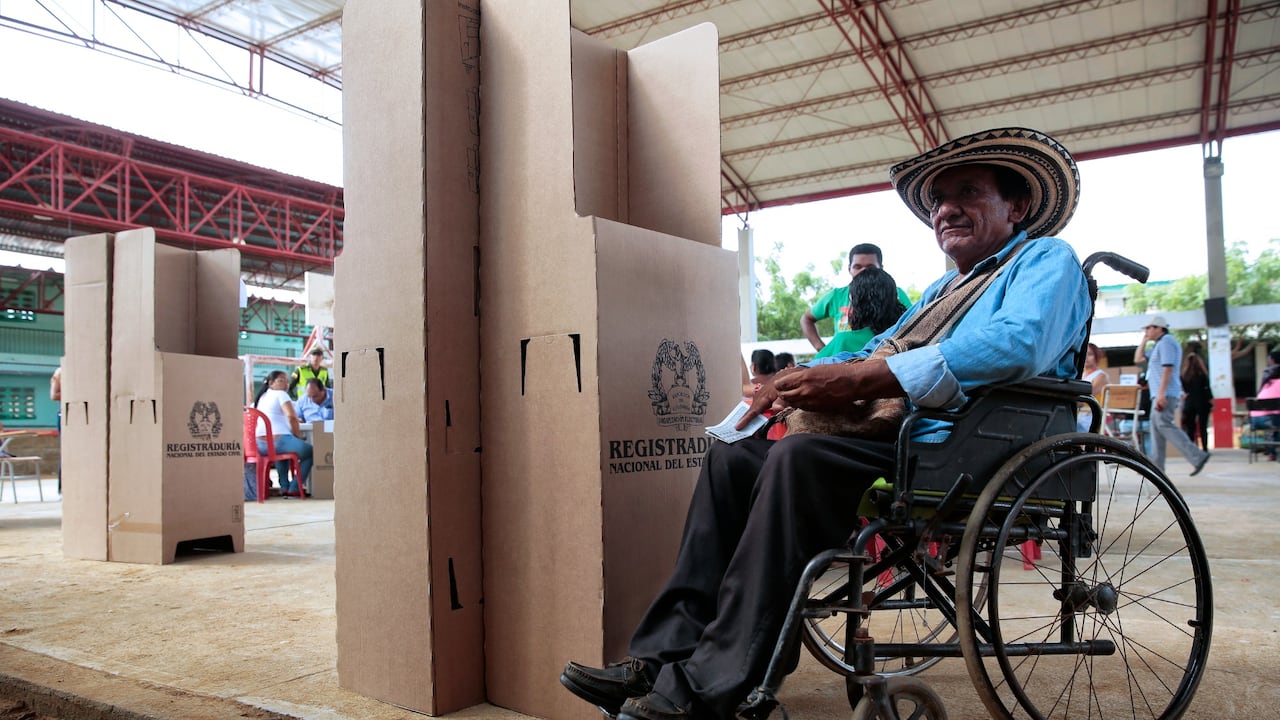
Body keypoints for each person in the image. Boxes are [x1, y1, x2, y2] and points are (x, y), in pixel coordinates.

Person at [561, 127, 1092, 720]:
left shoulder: (1046, 259)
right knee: (732, 457)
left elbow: (1018, 344)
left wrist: (865, 381)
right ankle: (662, 659)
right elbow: (880, 348)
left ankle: (712, 685)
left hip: (964, 443)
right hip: (899, 438)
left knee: (798, 459)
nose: (945, 210)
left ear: (1016, 207)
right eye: (939, 201)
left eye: (967, 192)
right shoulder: (946, 287)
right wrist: (794, 378)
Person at [801, 243, 913, 355]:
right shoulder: (837, 296)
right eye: (857, 267)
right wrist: (822, 348)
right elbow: (806, 319)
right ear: (849, 268)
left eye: (870, 267)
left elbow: (914, 323)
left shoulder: (896, 292)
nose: (863, 272)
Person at [1134, 317, 1210, 475]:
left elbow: (1167, 369)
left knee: (1164, 424)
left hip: (1165, 393)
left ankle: (1197, 456)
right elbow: (1138, 359)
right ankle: (1157, 469)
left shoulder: (1167, 342)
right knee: (1156, 429)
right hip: (1159, 393)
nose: (1146, 331)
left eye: (1149, 328)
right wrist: (1144, 340)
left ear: (1159, 328)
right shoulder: (1158, 345)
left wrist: (1161, 394)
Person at [813, 266, 908, 359]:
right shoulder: (903, 339)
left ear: (858, 306)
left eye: (851, 301)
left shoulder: (844, 341)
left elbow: (806, 371)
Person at [254, 370, 313, 496]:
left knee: (284, 450)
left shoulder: (261, 397)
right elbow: (291, 417)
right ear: (271, 383)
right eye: (281, 380)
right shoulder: (281, 394)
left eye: (287, 381)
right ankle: (295, 488)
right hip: (278, 441)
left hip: (259, 445)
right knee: (310, 452)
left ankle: (284, 487)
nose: (286, 384)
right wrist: (298, 436)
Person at [1179, 341, 1212, 450]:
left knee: (1190, 428)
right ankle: (1205, 448)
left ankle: (1192, 449)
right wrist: (1211, 399)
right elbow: (1207, 388)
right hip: (1202, 402)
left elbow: (1184, 389)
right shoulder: (1202, 375)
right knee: (1203, 427)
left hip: (1190, 402)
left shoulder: (1184, 376)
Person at [1249, 351, 1280, 460]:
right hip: (1270, 419)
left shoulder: (1266, 382)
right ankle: (1273, 451)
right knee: (1276, 420)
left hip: (1255, 421)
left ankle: (1271, 452)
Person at [1077, 343, 1108, 432]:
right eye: (1084, 354)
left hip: (1091, 416)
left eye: (1090, 354)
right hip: (1080, 415)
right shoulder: (1081, 375)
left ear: (1096, 357)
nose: (1086, 357)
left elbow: (1088, 396)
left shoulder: (1101, 376)